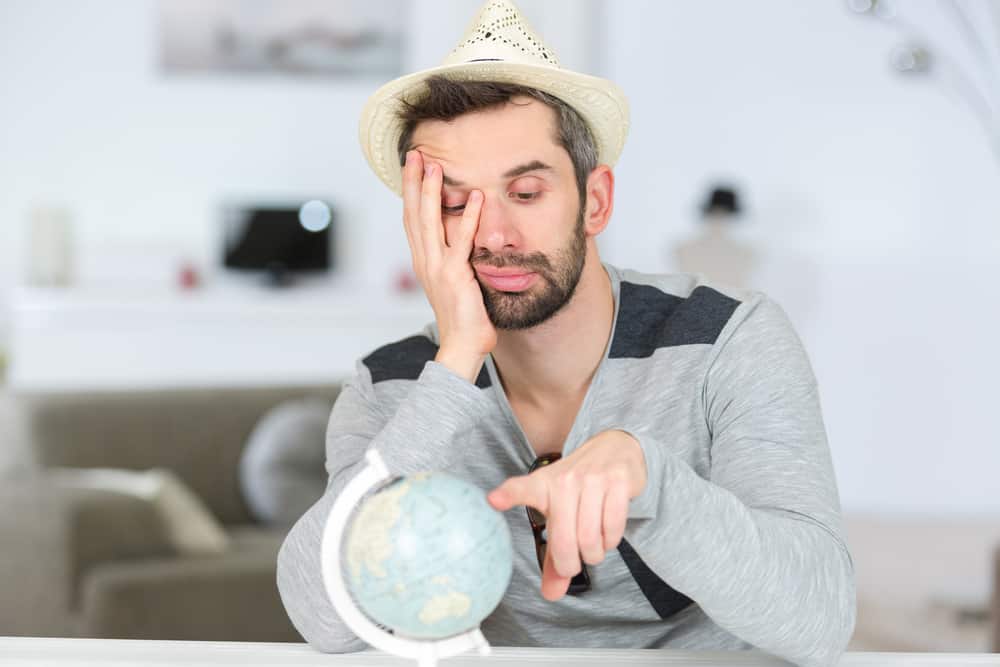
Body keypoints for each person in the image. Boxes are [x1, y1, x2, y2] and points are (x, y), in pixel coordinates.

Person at [277, 2, 855, 666]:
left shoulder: (727, 338)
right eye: (456, 203)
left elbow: (821, 619)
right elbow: (324, 619)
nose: (495, 235)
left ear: (595, 201)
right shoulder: (392, 386)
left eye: (526, 193)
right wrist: (456, 360)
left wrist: (651, 482)